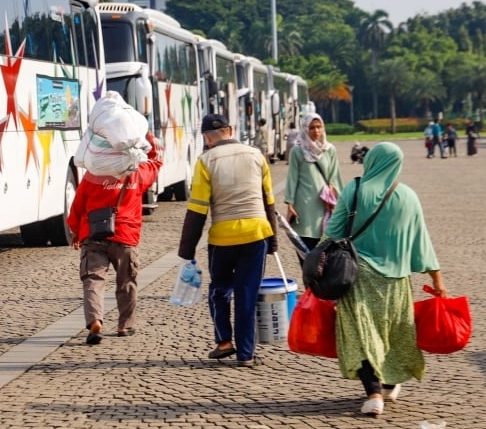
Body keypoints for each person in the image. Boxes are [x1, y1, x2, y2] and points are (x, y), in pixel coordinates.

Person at [323, 142, 447, 417]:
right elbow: (421, 244)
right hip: (396, 282)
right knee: (393, 334)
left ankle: (374, 393)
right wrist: (437, 280)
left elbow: (332, 231)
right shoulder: (409, 197)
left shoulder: (355, 190)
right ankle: (390, 385)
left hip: (358, 277)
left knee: (361, 335)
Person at [177, 113, 279, 367]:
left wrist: (187, 250)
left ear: (206, 138)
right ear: (230, 130)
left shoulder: (205, 161)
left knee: (220, 289)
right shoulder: (256, 155)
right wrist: (274, 241)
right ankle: (246, 354)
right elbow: (269, 201)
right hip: (256, 234)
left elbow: (198, 209)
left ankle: (224, 341)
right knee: (246, 293)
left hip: (222, 238)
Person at [69, 132, 163, 344]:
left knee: (93, 280)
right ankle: (125, 325)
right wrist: (147, 136)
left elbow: (78, 203)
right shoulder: (137, 173)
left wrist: (76, 230)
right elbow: (156, 162)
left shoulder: (93, 173)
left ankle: (95, 321)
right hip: (125, 235)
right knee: (127, 281)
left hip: (93, 235)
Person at [285, 112, 344, 256]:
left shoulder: (329, 150)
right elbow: (292, 178)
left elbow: (335, 176)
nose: (316, 131)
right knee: (306, 251)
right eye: (312, 128)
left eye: (319, 127)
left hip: (324, 205)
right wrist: (290, 204)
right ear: (305, 129)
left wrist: (339, 199)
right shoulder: (297, 151)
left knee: (325, 250)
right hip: (304, 207)